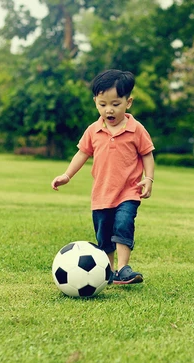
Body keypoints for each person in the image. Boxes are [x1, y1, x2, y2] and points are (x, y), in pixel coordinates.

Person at [50, 69, 155, 285]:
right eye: (102, 104)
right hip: (101, 194)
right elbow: (82, 153)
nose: (108, 110)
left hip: (129, 191)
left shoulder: (136, 129)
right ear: (96, 102)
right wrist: (67, 175)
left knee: (124, 224)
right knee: (104, 235)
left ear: (129, 102)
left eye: (115, 104)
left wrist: (149, 178)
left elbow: (147, 153)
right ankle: (108, 271)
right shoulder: (93, 130)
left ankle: (124, 268)